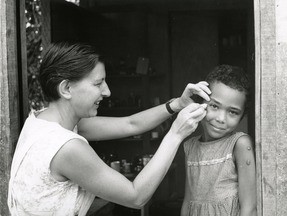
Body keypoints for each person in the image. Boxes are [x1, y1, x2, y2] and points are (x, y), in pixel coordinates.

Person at [8, 42, 211, 216]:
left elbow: (130, 124)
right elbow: (136, 196)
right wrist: (176, 133)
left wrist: (175, 105)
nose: (107, 91)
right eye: (98, 83)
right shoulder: (67, 148)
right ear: (66, 89)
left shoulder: (43, 120)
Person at [181, 65, 256, 216]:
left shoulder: (240, 144)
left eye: (232, 112)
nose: (221, 119)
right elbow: (188, 201)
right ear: (202, 103)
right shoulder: (189, 146)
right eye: (214, 106)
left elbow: (249, 208)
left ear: (242, 116)